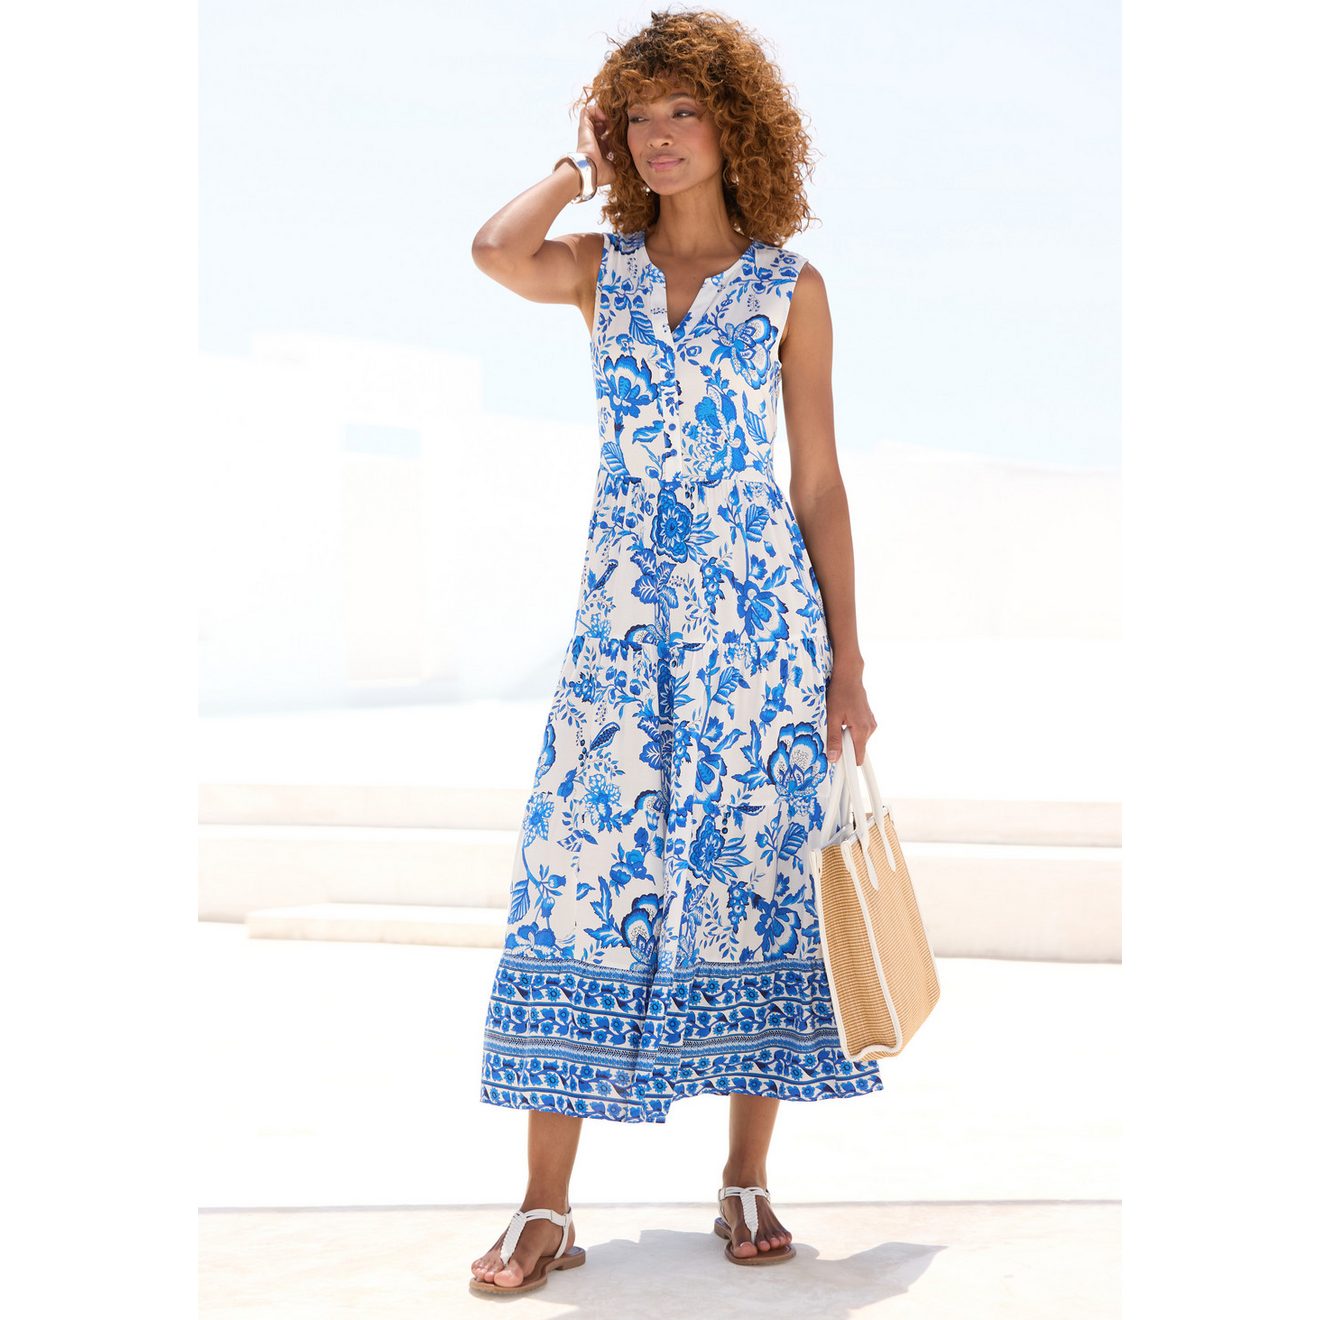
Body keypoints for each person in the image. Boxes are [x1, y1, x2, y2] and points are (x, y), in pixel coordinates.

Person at [467, 10, 881, 1296]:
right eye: (637, 117)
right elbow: (495, 250)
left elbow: (818, 483)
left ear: (733, 126)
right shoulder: (602, 271)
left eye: (682, 112)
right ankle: (544, 1208)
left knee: (757, 878)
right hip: (621, 633)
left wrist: (847, 664)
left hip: (761, 632)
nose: (659, 136)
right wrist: (574, 167)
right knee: (577, 878)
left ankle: (746, 1177)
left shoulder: (789, 288)